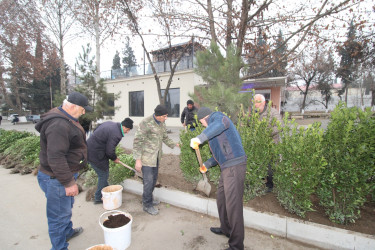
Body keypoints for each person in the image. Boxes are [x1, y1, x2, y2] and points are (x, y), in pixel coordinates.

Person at [35, 91, 92, 250]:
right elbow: (56, 157)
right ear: (73, 106)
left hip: (60, 176)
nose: (84, 112)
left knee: (65, 209)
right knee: (58, 217)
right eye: (83, 109)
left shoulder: (65, 117)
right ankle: (59, 247)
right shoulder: (59, 125)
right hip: (57, 179)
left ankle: (67, 232)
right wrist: (68, 183)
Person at [190, 107, 247, 250]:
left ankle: (236, 245)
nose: (202, 125)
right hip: (227, 167)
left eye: (201, 122)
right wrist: (207, 165)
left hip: (234, 167)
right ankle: (226, 229)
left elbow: (222, 122)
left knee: (233, 206)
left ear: (204, 118)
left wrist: (200, 138)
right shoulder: (215, 130)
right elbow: (220, 153)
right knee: (221, 199)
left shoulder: (218, 118)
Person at [133, 104, 179, 215]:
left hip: (156, 157)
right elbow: (137, 142)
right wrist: (138, 160)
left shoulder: (162, 123)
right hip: (147, 158)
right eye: (164, 116)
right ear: (157, 115)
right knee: (148, 182)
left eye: (166, 116)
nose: (166, 118)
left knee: (153, 180)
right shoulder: (146, 123)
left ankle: (150, 199)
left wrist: (175, 144)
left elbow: (164, 137)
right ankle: (147, 205)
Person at [87, 117, 134, 204]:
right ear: (124, 126)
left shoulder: (111, 124)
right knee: (103, 175)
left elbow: (97, 130)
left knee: (103, 174)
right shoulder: (116, 134)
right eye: (127, 130)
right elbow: (109, 151)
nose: (127, 132)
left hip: (91, 149)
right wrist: (114, 158)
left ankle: (107, 191)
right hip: (95, 154)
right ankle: (98, 198)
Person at [252, 94, 282, 192]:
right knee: (260, 163)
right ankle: (260, 180)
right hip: (259, 145)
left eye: (258, 102)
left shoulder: (272, 112)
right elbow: (250, 125)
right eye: (254, 102)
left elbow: (279, 126)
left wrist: (266, 133)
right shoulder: (254, 114)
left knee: (270, 166)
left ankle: (270, 185)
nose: (256, 104)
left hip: (272, 143)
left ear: (264, 103)